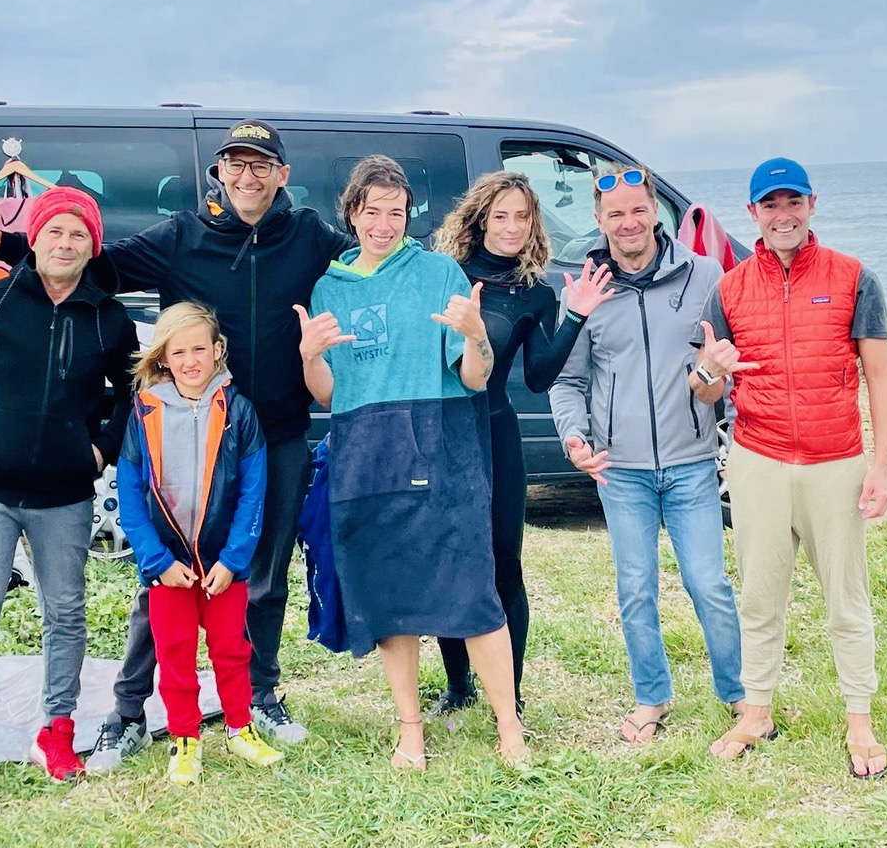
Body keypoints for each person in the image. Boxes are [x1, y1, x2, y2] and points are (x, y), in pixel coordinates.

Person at [0, 120, 354, 767]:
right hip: (187, 436)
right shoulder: (182, 235)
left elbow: (373, 262)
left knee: (264, 578)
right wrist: (4, 243)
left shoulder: (310, 237)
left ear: (282, 175)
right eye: (235, 164)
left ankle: (260, 696)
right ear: (220, 172)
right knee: (163, 579)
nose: (247, 176)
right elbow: (89, 261)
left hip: (277, 434)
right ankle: (129, 711)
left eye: (260, 165)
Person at [295, 155, 528, 770]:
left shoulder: (439, 273)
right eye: (372, 211)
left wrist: (476, 335)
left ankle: (510, 728)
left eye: (396, 212)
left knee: (473, 591)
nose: (384, 223)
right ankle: (410, 732)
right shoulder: (329, 289)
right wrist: (310, 355)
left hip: (443, 453)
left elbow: (474, 378)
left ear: (409, 216)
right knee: (389, 600)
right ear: (352, 214)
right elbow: (328, 395)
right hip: (366, 459)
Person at [0, 188, 138, 805]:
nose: (65, 244)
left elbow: (131, 392)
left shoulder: (108, 318)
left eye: (78, 235)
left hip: (64, 495)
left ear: (92, 247)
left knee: (66, 613)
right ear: (35, 239)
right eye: (54, 232)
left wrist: (100, 451)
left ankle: (56, 731)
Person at [695, 157, 887, 780]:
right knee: (759, 595)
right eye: (770, 204)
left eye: (793, 202)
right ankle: (755, 712)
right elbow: (705, 390)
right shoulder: (729, 288)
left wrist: (881, 466)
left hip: (835, 460)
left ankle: (859, 720)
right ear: (752, 213)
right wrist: (710, 370)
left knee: (847, 597)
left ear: (812, 204)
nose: (782, 215)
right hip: (757, 458)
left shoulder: (854, 277)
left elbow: (881, 375)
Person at [548, 164, 745, 743]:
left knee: (709, 584)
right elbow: (567, 381)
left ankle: (738, 694)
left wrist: (723, 403)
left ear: (655, 212)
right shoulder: (587, 291)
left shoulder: (704, 274)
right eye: (616, 214)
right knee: (636, 589)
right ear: (599, 219)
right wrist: (574, 437)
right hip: (620, 470)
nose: (629, 222)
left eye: (638, 210)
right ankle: (651, 697)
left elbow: (725, 367)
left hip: (691, 463)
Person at [429, 171, 613, 714]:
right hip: (443, 433)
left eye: (523, 216)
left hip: (496, 433)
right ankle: (458, 688)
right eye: (501, 216)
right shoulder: (447, 276)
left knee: (504, 563)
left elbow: (538, 377)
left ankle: (509, 694)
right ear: (480, 219)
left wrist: (575, 314)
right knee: (452, 561)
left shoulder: (535, 292)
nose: (512, 227)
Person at [117, 302, 283, 784]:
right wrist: (156, 560)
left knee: (231, 648)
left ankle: (240, 728)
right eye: (179, 352)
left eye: (199, 349)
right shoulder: (144, 413)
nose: (190, 360)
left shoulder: (239, 412)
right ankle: (184, 738)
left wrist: (233, 559)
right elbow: (129, 495)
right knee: (174, 652)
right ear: (163, 358)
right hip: (168, 565)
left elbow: (253, 493)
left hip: (222, 564)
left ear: (217, 350)